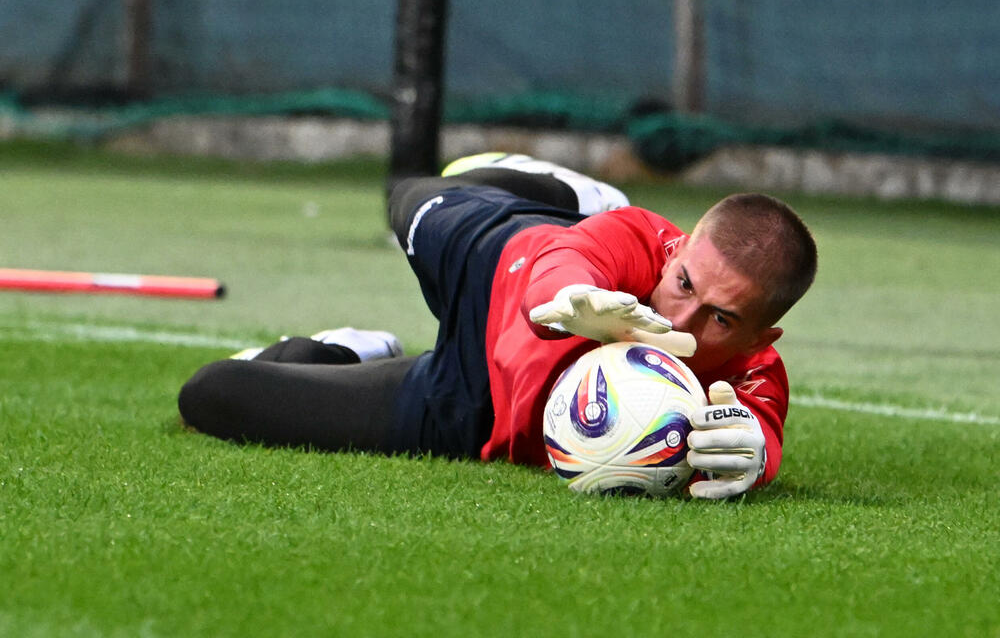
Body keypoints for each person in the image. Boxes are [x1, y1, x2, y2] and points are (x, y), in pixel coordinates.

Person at [178, 153, 817, 499]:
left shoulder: (753, 375)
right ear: (677, 251)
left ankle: (347, 352)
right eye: (683, 284)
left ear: (759, 338)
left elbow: (757, 435)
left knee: (212, 394)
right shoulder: (639, 237)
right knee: (410, 195)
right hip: (494, 263)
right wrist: (567, 299)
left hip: (468, 407)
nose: (681, 319)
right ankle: (568, 195)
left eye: (721, 318)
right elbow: (565, 263)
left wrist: (757, 457)